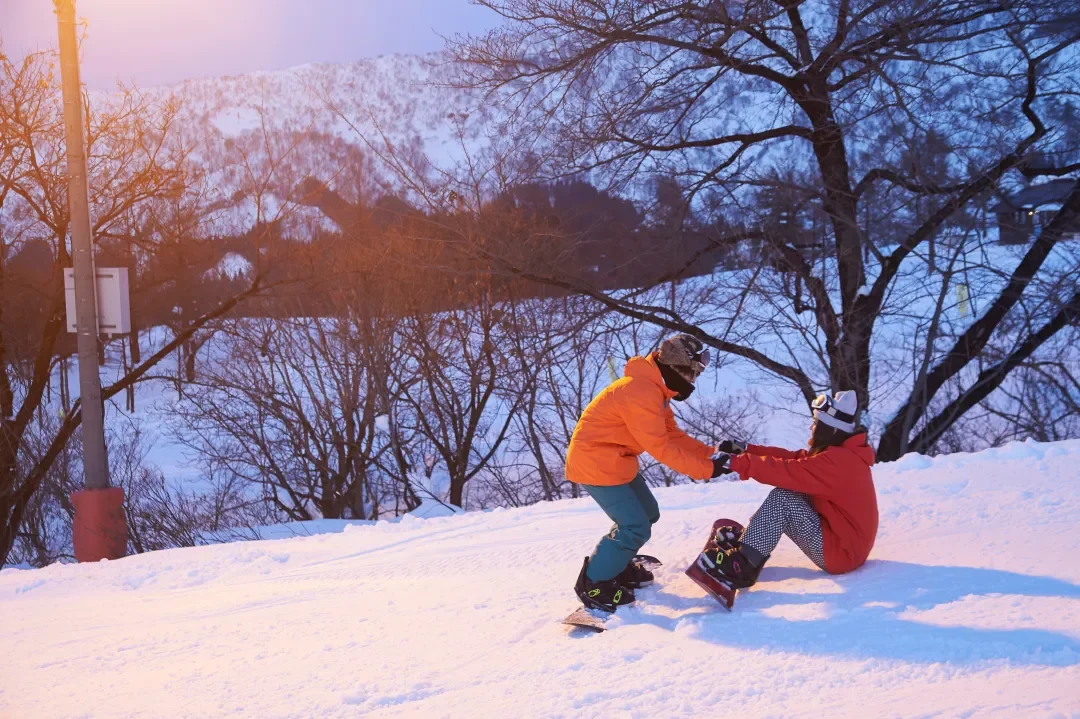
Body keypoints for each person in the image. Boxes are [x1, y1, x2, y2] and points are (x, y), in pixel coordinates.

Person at [566, 334, 731, 612]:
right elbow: (661, 447)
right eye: (693, 373)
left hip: (616, 462)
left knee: (647, 514)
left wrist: (709, 454)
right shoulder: (640, 392)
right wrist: (706, 469)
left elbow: (672, 435)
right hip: (596, 464)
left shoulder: (655, 389)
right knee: (634, 526)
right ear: (678, 368)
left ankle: (616, 564)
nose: (693, 381)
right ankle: (594, 583)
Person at [697, 390, 878, 589]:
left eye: (816, 424)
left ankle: (741, 567)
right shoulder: (839, 456)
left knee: (784, 498)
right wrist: (746, 450)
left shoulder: (839, 463)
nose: (811, 427)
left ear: (830, 430)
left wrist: (736, 463)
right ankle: (749, 543)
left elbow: (786, 470)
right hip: (844, 542)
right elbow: (793, 459)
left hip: (842, 554)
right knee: (792, 492)